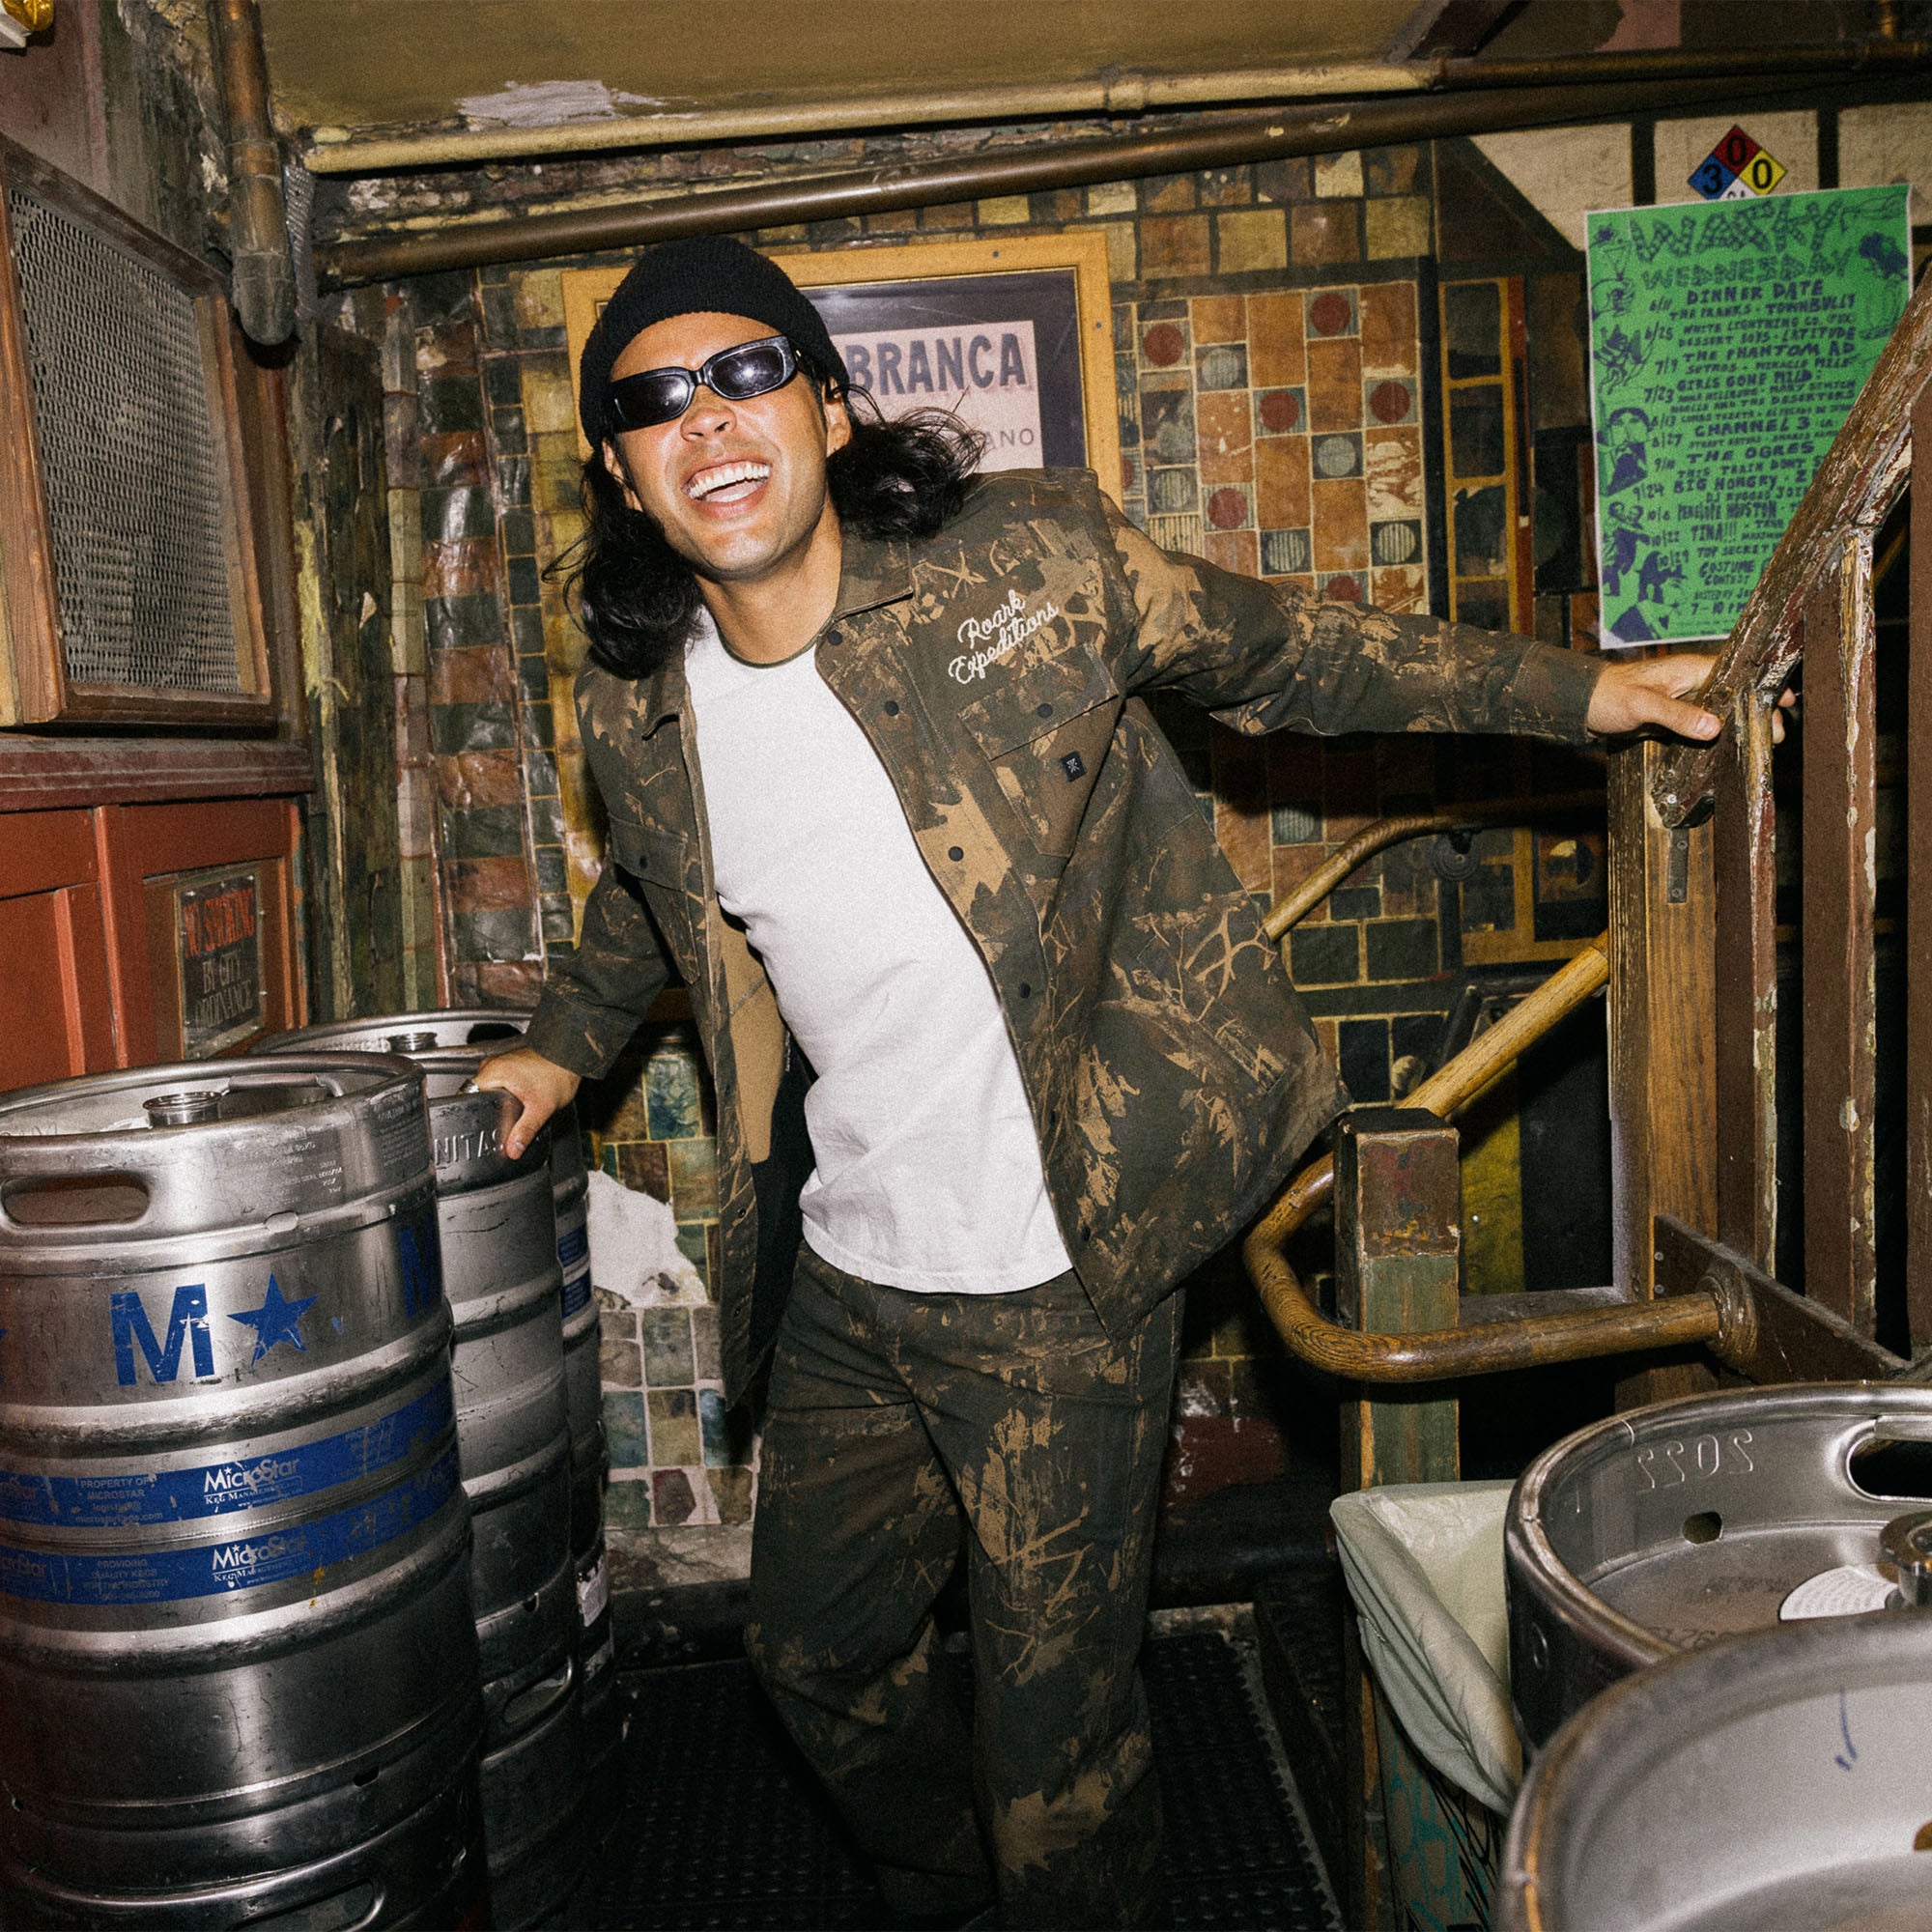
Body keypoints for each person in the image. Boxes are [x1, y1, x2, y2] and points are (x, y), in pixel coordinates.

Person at [474, 236, 1723, 1930]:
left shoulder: (1032, 570)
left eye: (750, 371)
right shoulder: (638, 708)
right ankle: (946, 1896)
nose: (709, 420)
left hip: (1069, 1259)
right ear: (623, 473)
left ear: (830, 408)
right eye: (655, 402)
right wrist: (557, 1046)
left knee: (1057, 1770)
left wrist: (1586, 692)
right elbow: (647, 894)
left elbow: (1305, 657)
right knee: (815, 1659)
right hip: (852, 1272)